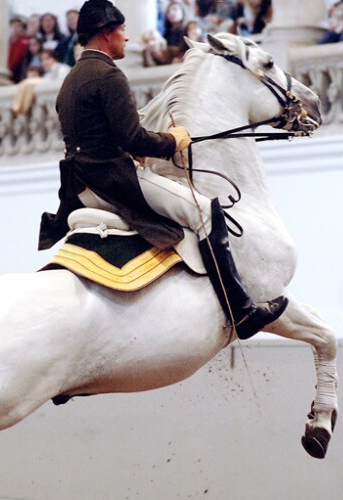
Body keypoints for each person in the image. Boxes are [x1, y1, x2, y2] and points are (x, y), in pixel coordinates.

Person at [39, 0, 287, 340]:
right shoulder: (108, 75)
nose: (127, 38)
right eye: (123, 31)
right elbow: (133, 139)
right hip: (115, 179)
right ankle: (241, 309)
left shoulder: (71, 79)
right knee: (206, 211)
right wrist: (173, 140)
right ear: (107, 33)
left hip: (81, 185)